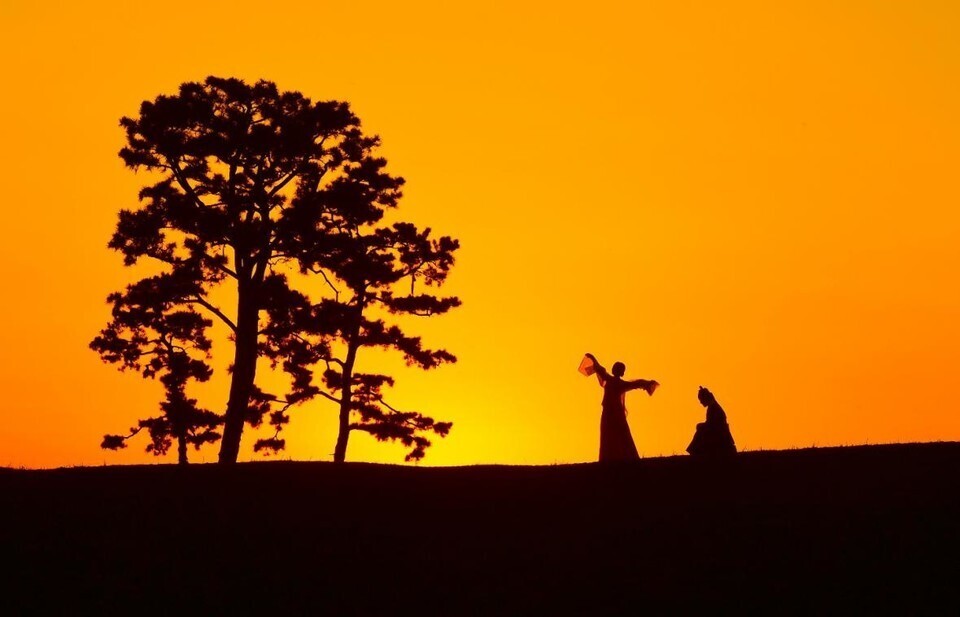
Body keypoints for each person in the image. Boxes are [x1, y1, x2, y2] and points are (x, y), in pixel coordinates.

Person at [584, 353, 659, 462]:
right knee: (615, 434)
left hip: (612, 413)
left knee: (613, 434)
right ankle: (614, 457)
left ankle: (616, 457)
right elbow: (636, 384)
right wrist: (592, 358)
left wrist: (593, 358)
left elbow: (600, 369)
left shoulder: (612, 381)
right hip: (611, 412)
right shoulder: (617, 382)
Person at [686, 386, 737, 457]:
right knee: (700, 427)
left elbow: (712, 424)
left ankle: (693, 450)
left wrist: (701, 426)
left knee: (700, 428)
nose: (700, 402)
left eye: (701, 400)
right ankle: (694, 450)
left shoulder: (713, 408)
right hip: (716, 429)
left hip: (718, 432)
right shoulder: (713, 406)